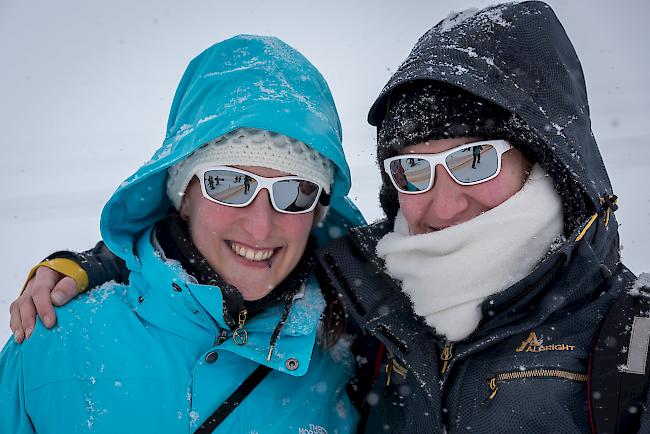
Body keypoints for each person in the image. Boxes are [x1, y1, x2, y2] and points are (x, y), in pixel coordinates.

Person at [7, 2, 650, 433]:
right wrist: (90, 264)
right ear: (179, 190)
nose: (447, 203)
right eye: (414, 172)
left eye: (476, 158)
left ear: (548, 158)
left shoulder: (636, 343)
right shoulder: (376, 307)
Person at [0, 35, 364, 433]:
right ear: (183, 196)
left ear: (318, 212)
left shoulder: (351, 358)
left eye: (296, 191)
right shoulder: (54, 343)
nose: (261, 225)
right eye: (227, 183)